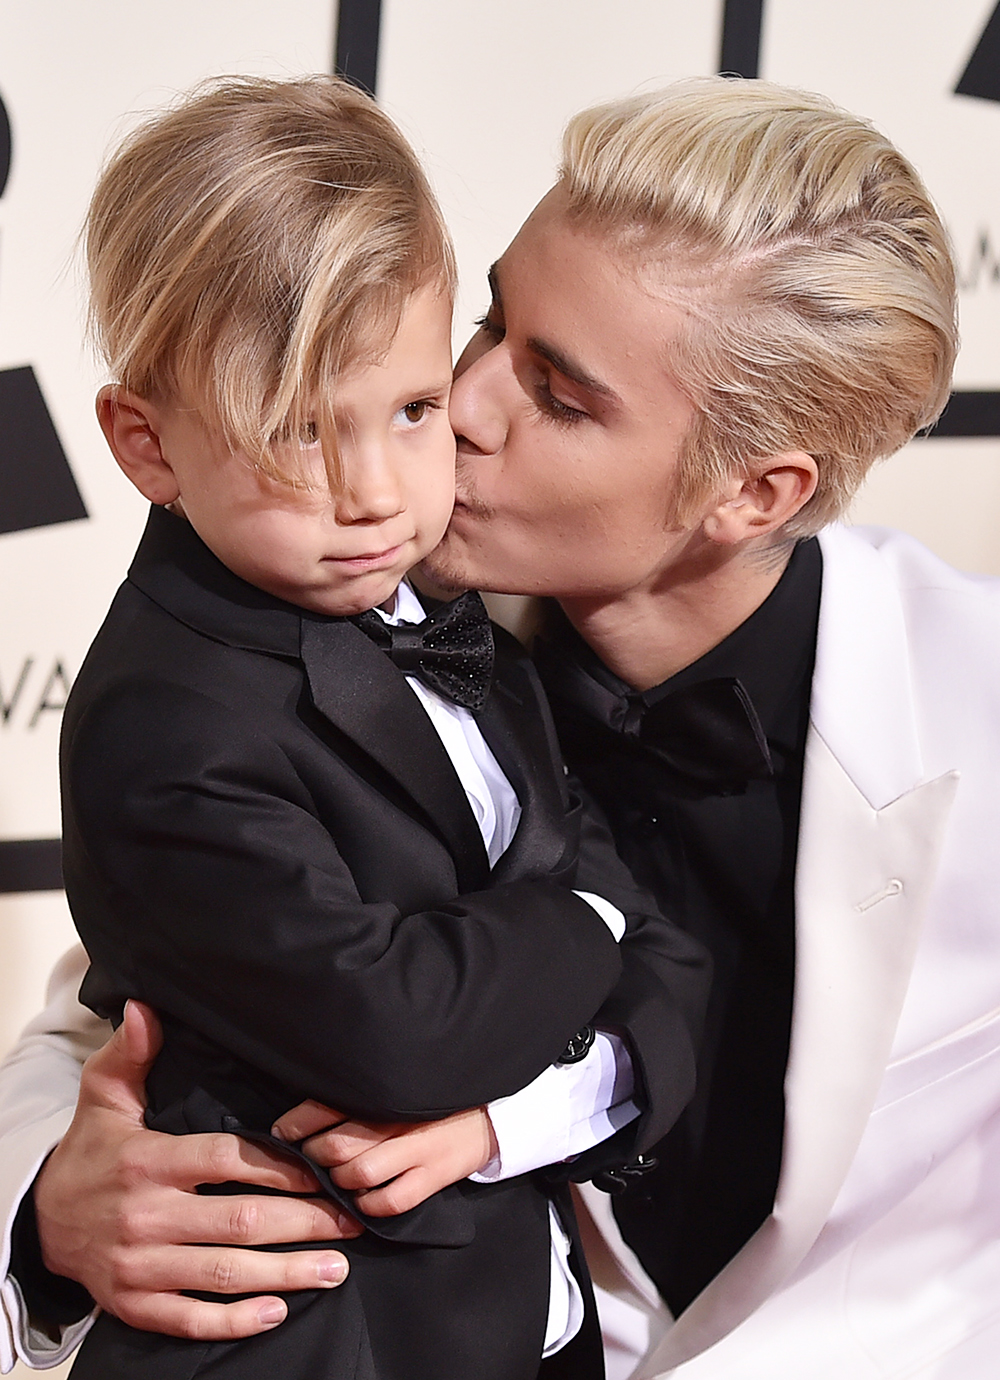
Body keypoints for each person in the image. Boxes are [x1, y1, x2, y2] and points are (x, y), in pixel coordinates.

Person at [3, 74, 999, 1380]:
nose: (460, 406)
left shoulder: (971, 709)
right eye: (489, 328)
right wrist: (44, 1216)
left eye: (561, 395)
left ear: (757, 492)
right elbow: (121, 1008)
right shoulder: (338, 624)